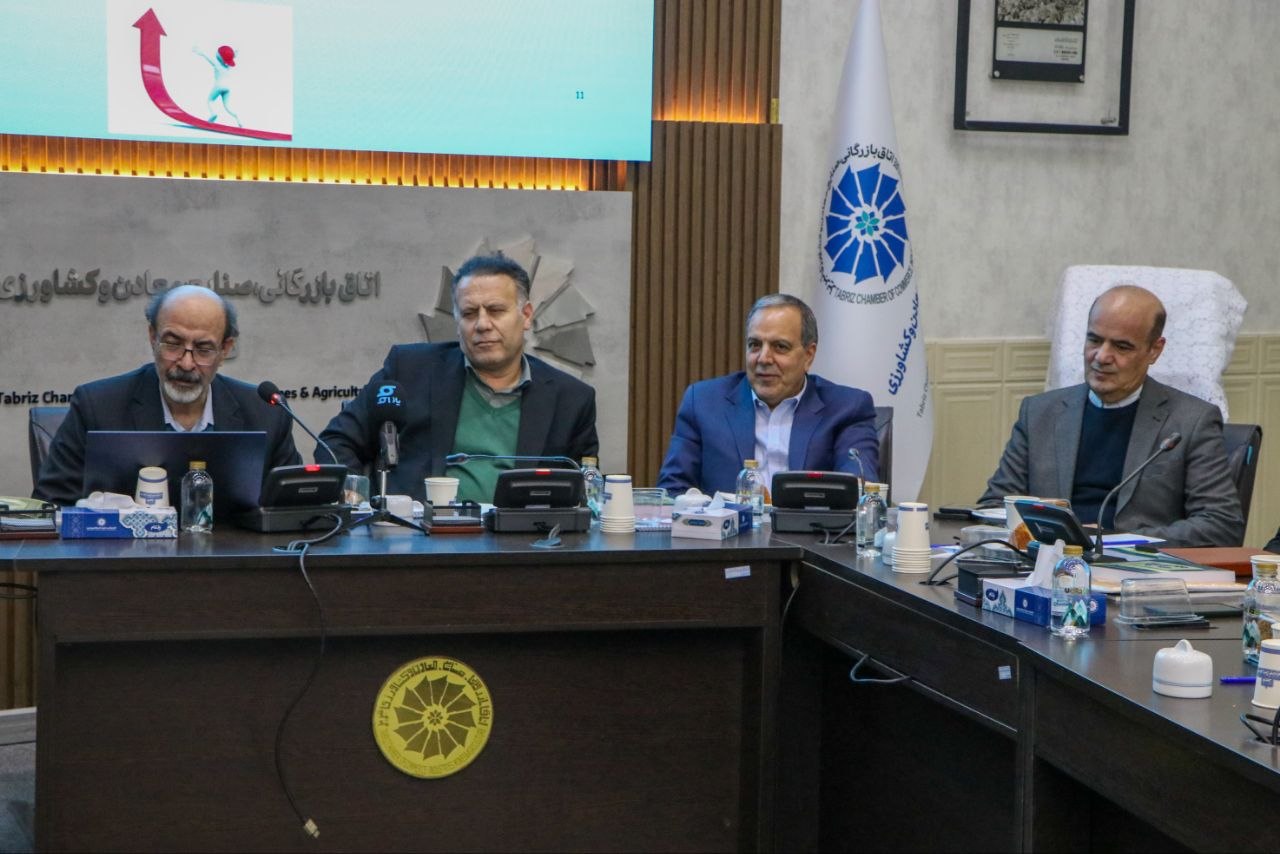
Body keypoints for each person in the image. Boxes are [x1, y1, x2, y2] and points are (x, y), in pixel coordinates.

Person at [319, 253, 598, 503]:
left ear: (526, 316)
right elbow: (335, 441)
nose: (482, 324)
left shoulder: (571, 400)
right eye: (469, 313)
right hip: (418, 535)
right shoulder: (410, 370)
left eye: (496, 310)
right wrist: (355, 496)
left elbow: (585, 489)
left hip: (523, 538)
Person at [978, 284, 1243, 547]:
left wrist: (1120, 541)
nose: (1102, 356)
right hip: (1044, 562)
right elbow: (994, 506)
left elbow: (1221, 525)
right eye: (1094, 340)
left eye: (1122, 347)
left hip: (1138, 566)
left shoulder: (1191, 421)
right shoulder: (1039, 413)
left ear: (1154, 350)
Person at [33, 285, 301, 505]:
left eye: (203, 349)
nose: (186, 363)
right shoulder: (97, 406)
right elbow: (52, 504)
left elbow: (290, 509)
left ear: (225, 349)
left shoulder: (266, 413)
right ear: (153, 337)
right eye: (173, 344)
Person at [657, 293, 879, 497]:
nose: (763, 358)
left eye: (780, 347)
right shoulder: (703, 403)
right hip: (727, 528)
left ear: (808, 355)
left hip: (811, 528)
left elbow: (858, 490)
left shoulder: (846, 408)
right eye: (754, 345)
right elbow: (673, 489)